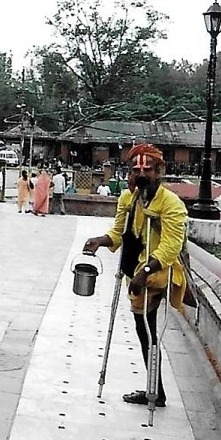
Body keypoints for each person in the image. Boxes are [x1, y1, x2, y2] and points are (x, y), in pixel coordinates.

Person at [83, 143, 190, 409]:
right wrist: (101, 240)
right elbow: (119, 232)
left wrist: (145, 272)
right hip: (137, 273)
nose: (141, 175)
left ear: (159, 171)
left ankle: (156, 392)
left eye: (147, 170)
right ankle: (156, 390)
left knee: (148, 333)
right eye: (136, 170)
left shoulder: (171, 203)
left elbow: (171, 246)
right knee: (145, 333)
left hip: (158, 274)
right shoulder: (128, 199)